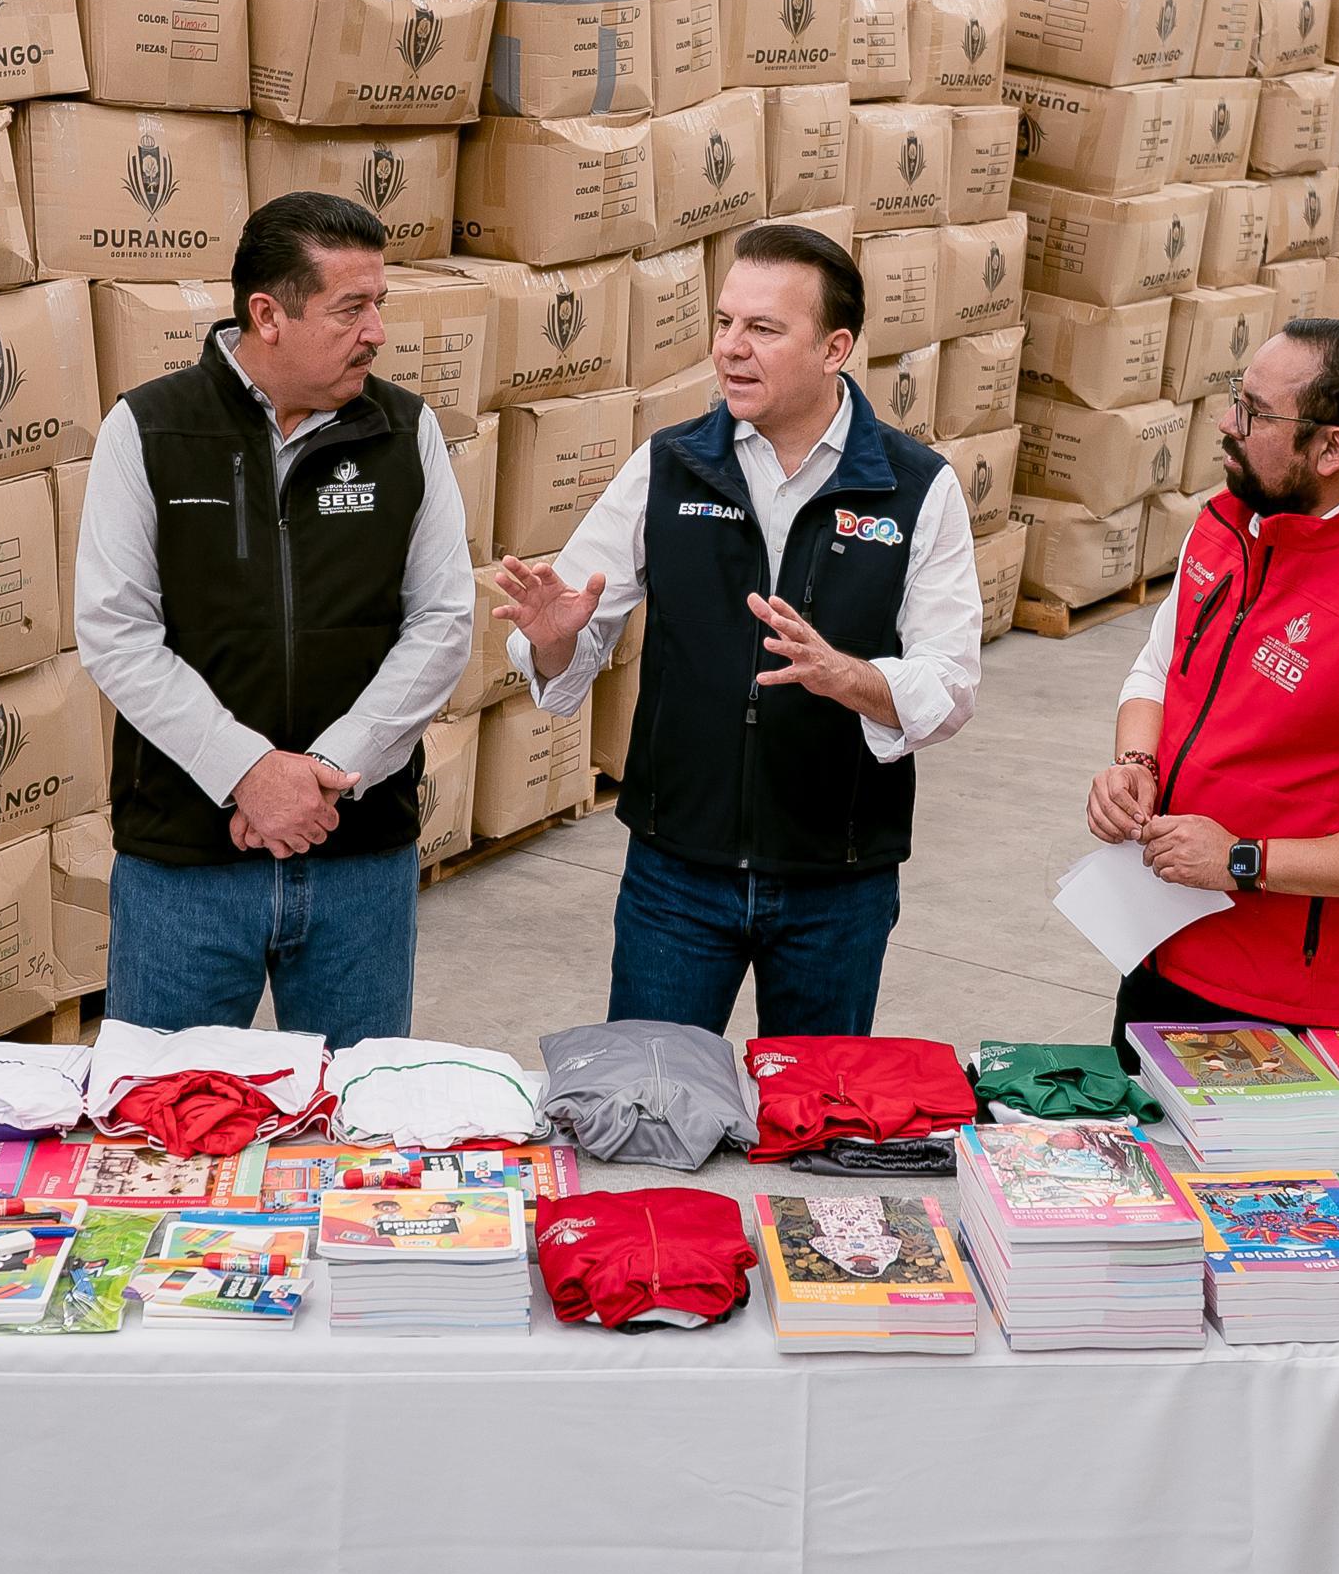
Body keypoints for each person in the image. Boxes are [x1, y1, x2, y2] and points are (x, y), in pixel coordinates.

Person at [491, 224, 979, 1037]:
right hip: (676, 873)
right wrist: (553, 634)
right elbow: (566, 651)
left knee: (814, 1133)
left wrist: (846, 676)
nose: (730, 350)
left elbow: (952, 685)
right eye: (724, 323)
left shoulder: (916, 489)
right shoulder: (669, 466)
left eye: (763, 329)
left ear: (835, 349)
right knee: (647, 1110)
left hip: (838, 880)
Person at [74, 191, 474, 1043]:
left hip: (360, 855)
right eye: (351, 308)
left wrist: (330, 768)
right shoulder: (150, 429)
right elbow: (117, 631)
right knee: (162, 1128)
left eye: (380, 305)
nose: (376, 331)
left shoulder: (405, 431)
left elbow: (441, 623)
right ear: (269, 315)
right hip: (186, 862)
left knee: (353, 1141)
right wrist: (249, 772)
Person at [1081, 320, 1339, 1042]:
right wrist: (1132, 763)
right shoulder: (1231, 525)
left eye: (1256, 414)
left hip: (1284, 1004)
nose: (1228, 428)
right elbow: (1157, 667)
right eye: (1237, 399)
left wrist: (1241, 860)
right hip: (1159, 946)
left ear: (1334, 447)